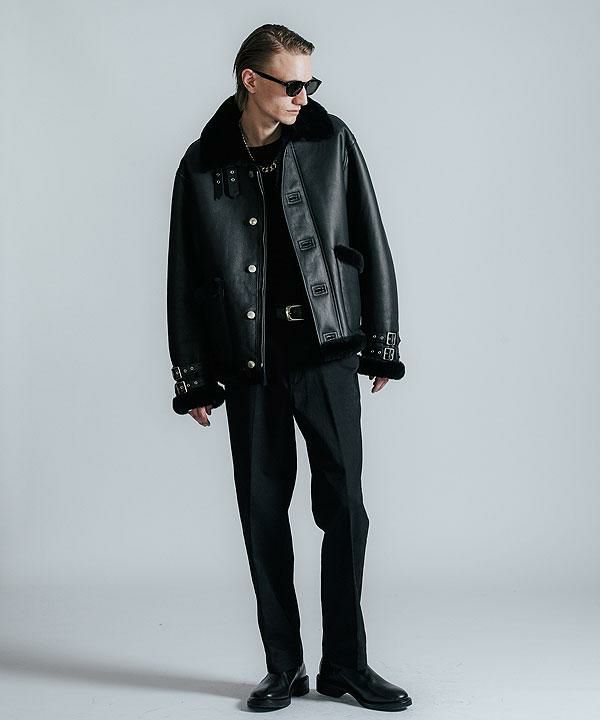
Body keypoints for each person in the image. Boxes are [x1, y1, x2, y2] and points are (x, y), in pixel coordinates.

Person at [166, 23, 412, 713]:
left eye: (310, 83)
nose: (304, 97)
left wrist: (381, 341)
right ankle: (284, 666)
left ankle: (346, 665)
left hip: (327, 352)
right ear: (251, 80)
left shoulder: (331, 141)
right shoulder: (203, 163)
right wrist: (192, 374)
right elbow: (184, 273)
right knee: (262, 514)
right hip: (251, 364)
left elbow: (370, 237)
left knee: (346, 510)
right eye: (292, 84)